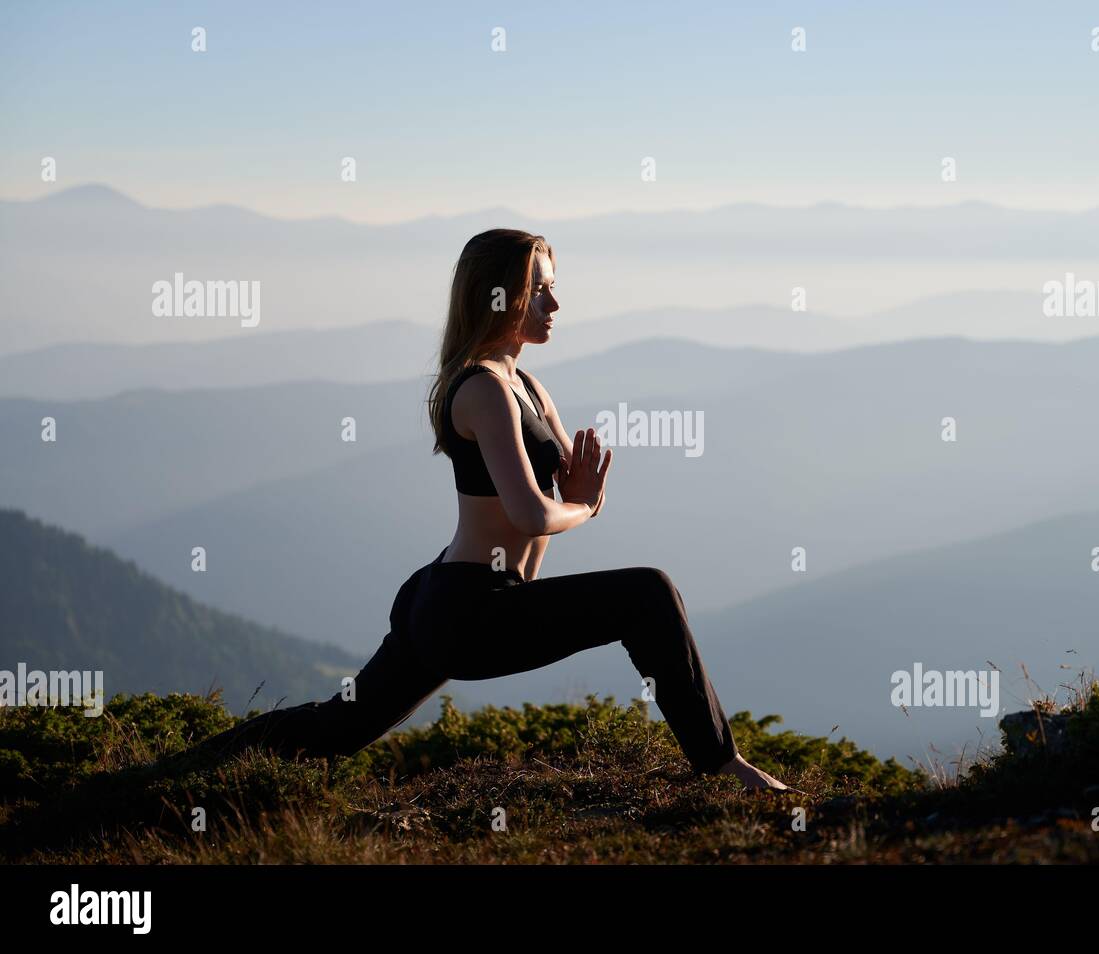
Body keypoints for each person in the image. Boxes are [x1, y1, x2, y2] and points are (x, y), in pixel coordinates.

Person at [191, 229, 788, 792]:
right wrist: (581, 505)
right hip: (470, 610)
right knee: (649, 594)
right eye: (540, 289)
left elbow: (547, 494)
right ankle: (722, 764)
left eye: (552, 287)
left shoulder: (526, 384)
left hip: (466, 599)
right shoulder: (482, 389)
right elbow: (532, 514)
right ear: (499, 296)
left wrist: (576, 489)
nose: (554, 304)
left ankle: (184, 765)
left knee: (336, 729)